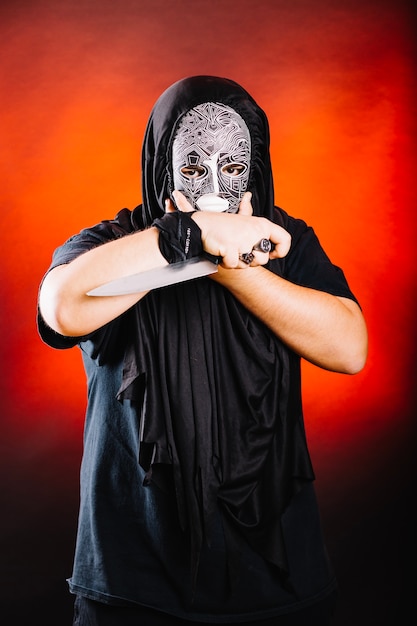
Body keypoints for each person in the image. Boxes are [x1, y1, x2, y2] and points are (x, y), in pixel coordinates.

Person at [37, 76, 368, 626]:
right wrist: (184, 237)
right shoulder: (113, 244)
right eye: (193, 168)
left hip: (279, 586)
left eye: (233, 167)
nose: (214, 184)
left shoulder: (285, 240)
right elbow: (61, 309)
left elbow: (350, 347)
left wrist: (233, 265)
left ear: (254, 169)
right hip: (132, 587)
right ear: (163, 164)